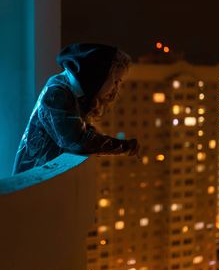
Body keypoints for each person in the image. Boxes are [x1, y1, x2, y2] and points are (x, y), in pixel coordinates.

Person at [12, 43, 140, 175]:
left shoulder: (73, 92)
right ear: (101, 74)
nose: (115, 89)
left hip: (44, 181)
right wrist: (124, 147)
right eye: (116, 81)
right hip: (35, 184)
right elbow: (78, 141)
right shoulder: (57, 92)